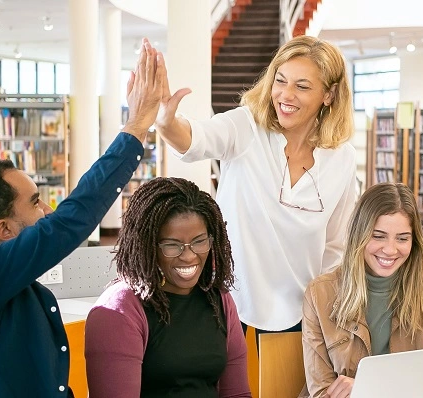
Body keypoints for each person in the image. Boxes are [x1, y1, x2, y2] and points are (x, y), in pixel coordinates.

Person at [0, 39, 164, 397]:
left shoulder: (20, 287)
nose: (48, 211)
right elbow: (70, 221)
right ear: (4, 229)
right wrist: (136, 127)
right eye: (36, 202)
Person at [153, 35, 357, 334]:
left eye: (302, 86)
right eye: (280, 80)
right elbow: (197, 139)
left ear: (329, 94)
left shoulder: (342, 158)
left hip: (302, 313)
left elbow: (336, 246)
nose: (285, 95)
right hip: (228, 304)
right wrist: (167, 124)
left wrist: (326, 312)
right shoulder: (246, 127)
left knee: (286, 383)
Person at [85, 177, 251, 397]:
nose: (189, 256)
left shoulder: (218, 298)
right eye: (173, 245)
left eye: (199, 241)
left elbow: (237, 394)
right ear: (147, 246)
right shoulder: (119, 311)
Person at [302, 182, 423, 398]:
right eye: (378, 236)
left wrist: (367, 388)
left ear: (414, 240)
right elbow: (321, 391)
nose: (390, 250)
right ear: (359, 235)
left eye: (402, 238)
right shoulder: (319, 293)